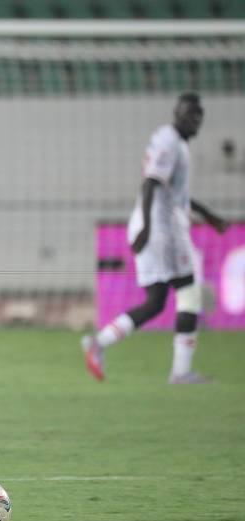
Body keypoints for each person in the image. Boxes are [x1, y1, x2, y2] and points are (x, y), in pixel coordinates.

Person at [82, 93, 228, 384]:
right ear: (177, 114)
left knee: (157, 301)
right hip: (162, 232)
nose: (195, 122)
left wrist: (208, 215)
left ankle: (100, 343)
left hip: (161, 228)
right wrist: (148, 229)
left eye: (198, 117)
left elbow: (174, 194)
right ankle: (181, 371)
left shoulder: (176, 144)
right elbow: (150, 183)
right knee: (187, 291)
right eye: (190, 116)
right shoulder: (169, 141)